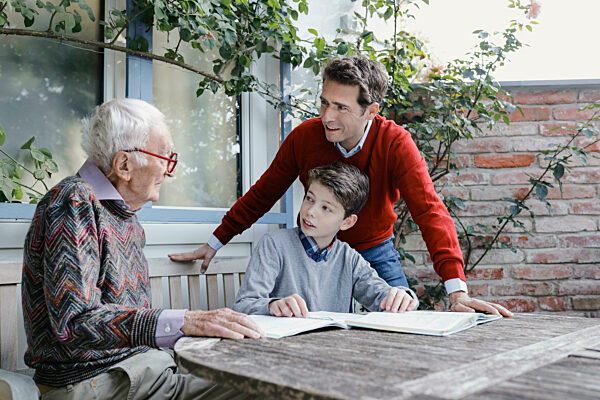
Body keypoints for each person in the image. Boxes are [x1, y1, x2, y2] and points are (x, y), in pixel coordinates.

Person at [170, 55, 513, 317]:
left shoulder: (394, 143)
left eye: (341, 107)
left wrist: (457, 293)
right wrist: (216, 241)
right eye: (324, 102)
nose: (327, 116)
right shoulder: (305, 137)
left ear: (371, 111)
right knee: (304, 325)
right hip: (312, 250)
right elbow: (264, 193)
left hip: (373, 249)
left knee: (405, 325)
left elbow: (429, 211)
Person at [21, 98, 263, 400]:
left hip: (141, 370)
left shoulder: (125, 217)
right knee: (260, 390)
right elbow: (74, 323)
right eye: (164, 157)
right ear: (124, 164)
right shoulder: (74, 202)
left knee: (264, 379)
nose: (169, 171)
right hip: (91, 381)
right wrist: (185, 321)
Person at [233, 162, 419, 316]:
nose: (310, 212)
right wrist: (272, 305)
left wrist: (402, 297)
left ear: (347, 222)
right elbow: (244, 305)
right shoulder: (274, 244)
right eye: (309, 199)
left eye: (326, 208)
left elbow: (382, 296)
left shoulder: (349, 258)